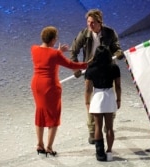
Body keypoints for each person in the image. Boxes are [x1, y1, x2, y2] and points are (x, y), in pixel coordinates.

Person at [31, 26, 88, 157]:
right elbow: (71, 65)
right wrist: (87, 64)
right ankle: (49, 147)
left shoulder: (34, 49)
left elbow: (47, 57)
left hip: (36, 85)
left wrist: (57, 52)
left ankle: (39, 144)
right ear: (52, 40)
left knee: (40, 112)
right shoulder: (54, 54)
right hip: (50, 87)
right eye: (56, 38)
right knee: (53, 116)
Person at [70, 9, 124, 144]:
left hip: (107, 68)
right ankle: (92, 130)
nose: (90, 25)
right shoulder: (84, 34)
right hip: (91, 69)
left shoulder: (109, 33)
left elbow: (116, 47)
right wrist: (76, 67)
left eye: (93, 22)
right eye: (88, 22)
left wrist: (118, 53)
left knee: (110, 98)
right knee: (91, 101)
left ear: (100, 22)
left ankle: (108, 124)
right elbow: (74, 51)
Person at [85, 45, 121, 161]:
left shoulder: (91, 69)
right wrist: (118, 99)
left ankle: (100, 153)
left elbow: (88, 89)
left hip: (97, 96)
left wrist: (87, 102)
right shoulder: (114, 68)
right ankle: (109, 151)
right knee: (110, 127)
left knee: (98, 127)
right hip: (109, 96)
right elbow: (118, 86)